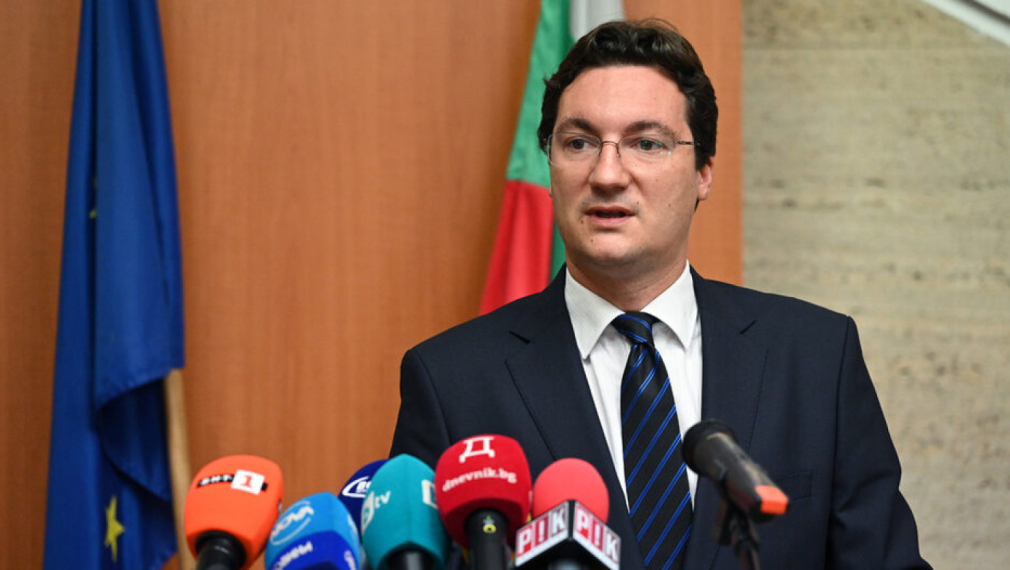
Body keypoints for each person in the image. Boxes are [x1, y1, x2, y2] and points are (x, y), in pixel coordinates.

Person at [391, 19, 929, 570]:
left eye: (646, 143)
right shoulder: (452, 383)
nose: (607, 174)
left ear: (703, 172)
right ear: (550, 169)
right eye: (578, 143)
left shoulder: (816, 358)